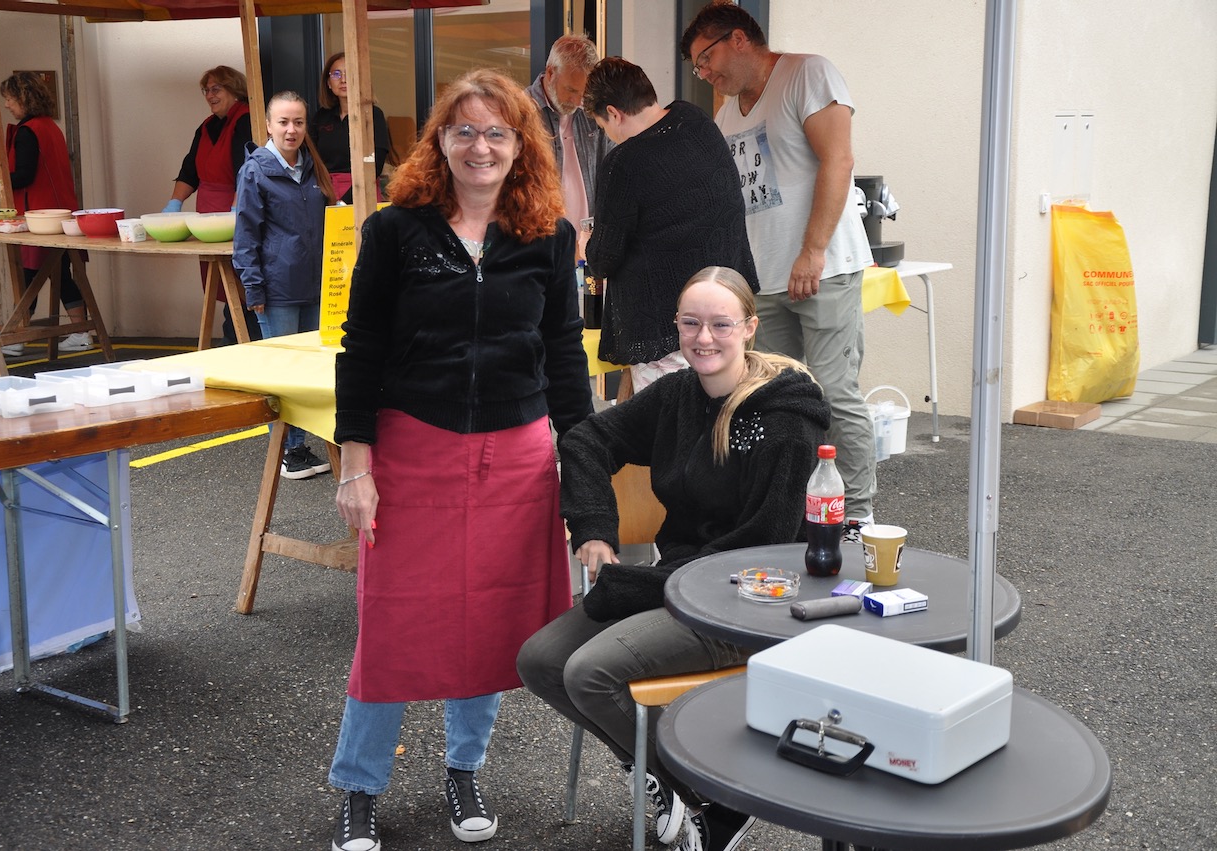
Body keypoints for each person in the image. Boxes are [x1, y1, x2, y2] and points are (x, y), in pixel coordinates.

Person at [329, 68, 593, 851]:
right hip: (413, 447)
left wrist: (583, 475)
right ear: (440, 139)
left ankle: (463, 767)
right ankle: (359, 785)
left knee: (490, 618)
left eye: (497, 133)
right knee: (393, 619)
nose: (481, 147)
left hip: (516, 456)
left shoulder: (550, 236)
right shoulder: (395, 231)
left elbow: (564, 358)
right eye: (465, 130)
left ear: (520, 143)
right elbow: (361, 349)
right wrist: (354, 465)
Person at [517, 267, 831, 851]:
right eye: (691, 323)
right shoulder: (679, 395)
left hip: (748, 600)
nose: (703, 338)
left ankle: (713, 796)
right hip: (680, 582)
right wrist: (594, 529)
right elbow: (586, 440)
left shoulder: (784, 421)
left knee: (589, 673)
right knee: (540, 660)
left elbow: (763, 542)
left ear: (750, 327)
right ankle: (675, 780)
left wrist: (651, 583)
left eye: (720, 325)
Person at [682, 4, 878, 533]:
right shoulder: (726, 116)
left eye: (706, 59)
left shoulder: (806, 74)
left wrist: (812, 251)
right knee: (775, 396)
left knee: (833, 391)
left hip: (824, 267)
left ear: (738, 39)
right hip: (763, 278)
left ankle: (856, 514)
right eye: (698, 67)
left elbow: (839, 159)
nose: (705, 73)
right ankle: (793, 508)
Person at [581, 57, 757, 391]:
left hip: (666, 327)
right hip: (727, 311)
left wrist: (586, 245)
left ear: (614, 113)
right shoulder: (694, 120)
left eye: (603, 126)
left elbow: (604, 258)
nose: (609, 135)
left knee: (668, 417)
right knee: (720, 410)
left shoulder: (623, 163)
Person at [233, 91, 337, 480]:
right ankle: (289, 451)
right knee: (283, 373)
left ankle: (303, 444)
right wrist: (254, 288)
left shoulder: (313, 169)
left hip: (314, 287)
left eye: (298, 122)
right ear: (268, 125)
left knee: (309, 369)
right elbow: (245, 236)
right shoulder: (255, 172)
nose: (291, 130)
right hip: (277, 289)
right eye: (283, 122)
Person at [0, 71, 91, 355]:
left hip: (39, 213)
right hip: (60, 210)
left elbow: (24, 175)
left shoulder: (28, 132)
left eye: (10, 99)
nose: (7, 105)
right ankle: (80, 331)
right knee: (59, 273)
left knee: (29, 275)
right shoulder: (50, 127)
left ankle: (15, 336)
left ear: (23, 98)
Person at [161, 65, 261, 345]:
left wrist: (237, 211)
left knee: (242, 276)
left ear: (234, 89)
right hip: (209, 217)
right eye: (206, 90)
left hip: (236, 210)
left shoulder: (245, 120)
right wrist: (174, 204)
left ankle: (246, 338)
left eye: (216, 89)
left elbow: (246, 170)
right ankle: (234, 336)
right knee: (222, 280)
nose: (210, 95)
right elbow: (189, 170)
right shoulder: (206, 126)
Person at [525, 34, 614, 247]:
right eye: (571, 90)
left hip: (588, 244)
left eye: (584, 92)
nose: (577, 101)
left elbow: (613, 168)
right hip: (540, 244)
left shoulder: (592, 111)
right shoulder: (521, 112)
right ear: (550, 73)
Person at [309, 51, 392, 204]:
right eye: (336, 74)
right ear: (328, 83)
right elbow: (310, 159)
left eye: (350, 73)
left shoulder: (373, 115)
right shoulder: (320, 117)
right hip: (325, 192)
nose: (343, 80)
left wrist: (345, 201)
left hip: (364, 192)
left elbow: (376, 163)